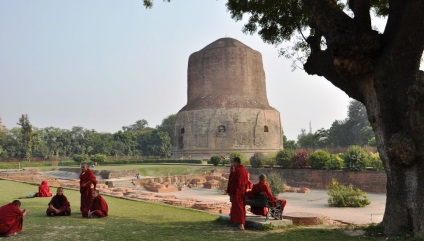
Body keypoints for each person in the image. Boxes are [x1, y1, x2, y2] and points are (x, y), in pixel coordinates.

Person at [226, 157, 249, 231]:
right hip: (242, 191)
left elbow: (234, 182)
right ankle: (240, 224)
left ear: (236, 162)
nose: (233, 164)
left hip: (238, 192)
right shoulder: (244, 170)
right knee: (240, 207)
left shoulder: (238, 170)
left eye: (233, 162)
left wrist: (231, 192)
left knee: (239, 208)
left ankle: (241, 225)